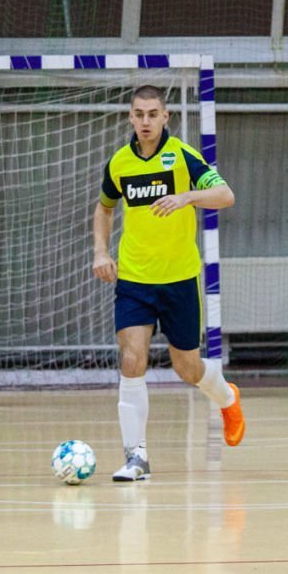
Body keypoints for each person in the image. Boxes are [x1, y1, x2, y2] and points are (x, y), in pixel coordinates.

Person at [91, 84, 246, 482]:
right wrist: (101, 252)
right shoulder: (120, 163)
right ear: (130, 117)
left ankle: (227, 397)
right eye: (139, 114)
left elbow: (226, 195)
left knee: (187, 368)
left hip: (179, 279)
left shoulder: (183, 156)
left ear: (165, 117)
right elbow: (104, 209)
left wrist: (187, 197)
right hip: (135, 279)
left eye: (152, 114)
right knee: (132, 359)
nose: (145, 121)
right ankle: (136, 457)